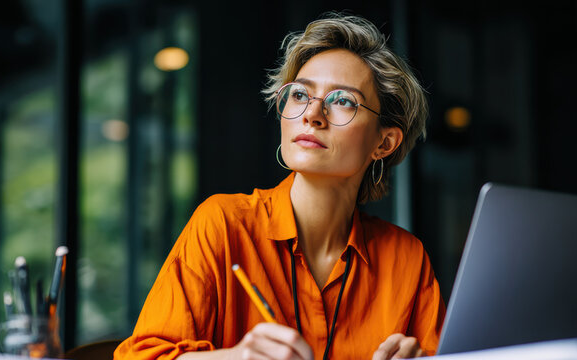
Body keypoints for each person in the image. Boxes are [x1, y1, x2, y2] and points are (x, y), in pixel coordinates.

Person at [114, 12, 444, 360]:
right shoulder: (223, 224)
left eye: (342, 100)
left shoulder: (406, 258)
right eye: (300, 94)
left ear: (385, 142)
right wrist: (237, 357)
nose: (312, 114)